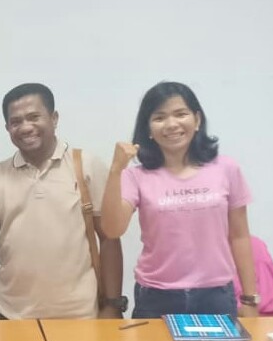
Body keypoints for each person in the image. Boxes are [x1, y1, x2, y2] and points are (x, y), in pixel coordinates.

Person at [0, 83, 125, 320]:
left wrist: (113, 305)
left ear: (54, 118)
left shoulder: (85, 165)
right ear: (7, 128)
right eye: (16, 122)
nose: (26, 127)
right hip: (13, 315)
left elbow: (109, 238)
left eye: (34, 117)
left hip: (79, 315)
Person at [100, 81, 259, 318]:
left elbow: (240, 236)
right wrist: (115, 170)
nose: (171, 124)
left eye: (180, 114)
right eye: (160, 117)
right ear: (148, 129)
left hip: (215, 294)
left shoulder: (226, 169)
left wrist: (250, 298)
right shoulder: (135, 176)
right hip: (156, 296)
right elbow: (113, 229)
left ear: (197, 120)